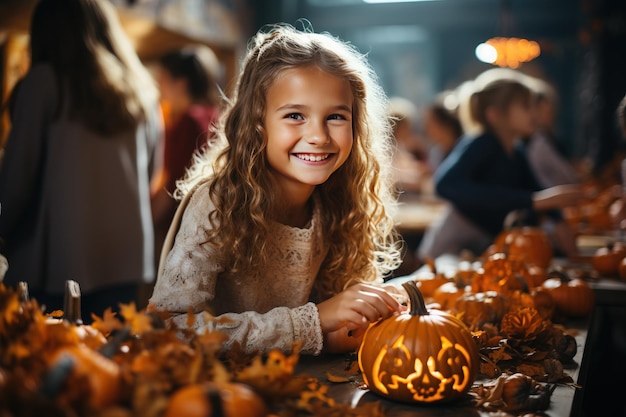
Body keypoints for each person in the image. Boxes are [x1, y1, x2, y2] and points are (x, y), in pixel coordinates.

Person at [148, 24, 405, 356]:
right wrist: (314, 320)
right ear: (257, 123)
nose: (319, 136)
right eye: (295, 115)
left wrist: (336, 334)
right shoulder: (217, 204)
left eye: (336, 117)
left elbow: (319, 331)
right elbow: (169, 329)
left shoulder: (339, 204)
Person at [0, 0, 163, 321]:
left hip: (54, 265)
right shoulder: (143, 91)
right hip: (125, 261)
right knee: (109, 363)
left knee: (45, 363)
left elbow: (16, 184)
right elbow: (149, 176)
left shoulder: (43, 83)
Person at [417, 68, 584, 261]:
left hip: (481, 244)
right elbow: (445, 185)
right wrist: (534, 201)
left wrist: (557, 219)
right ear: (495, 114)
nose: (534, 114)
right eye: (525, 107)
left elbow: (533, 187)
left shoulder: (517, 151)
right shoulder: (482, 142)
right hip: (452, 243)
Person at [150, 45, 223, 250]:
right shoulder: (213, 114)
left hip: (180, 227)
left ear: (180, 83)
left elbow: (172, 187)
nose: (158, 85)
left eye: (162, 78)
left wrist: (145, 226)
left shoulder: (188, 121)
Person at [524, 76, 580, 188]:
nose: (551, 114)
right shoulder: (536, 143)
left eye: (551, 109)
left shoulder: (547, 139)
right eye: (543, 109)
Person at [388, 96, 430, 196]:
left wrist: (419, 169)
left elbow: (405, 168)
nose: (409, 130)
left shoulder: (400, 146)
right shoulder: (386, 148)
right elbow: (392, 178)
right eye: (406, 126)